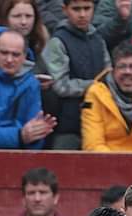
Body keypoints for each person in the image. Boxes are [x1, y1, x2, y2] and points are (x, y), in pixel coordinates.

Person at [41, 0, 110, 149]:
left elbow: (108, 76)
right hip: (67, 125)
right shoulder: (58, 41)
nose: (82, 14)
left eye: (87, 8)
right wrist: (94, 85)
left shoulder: (98, 39)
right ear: (65, 10)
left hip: (100, 122)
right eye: (76, 9)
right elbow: (59, 85)